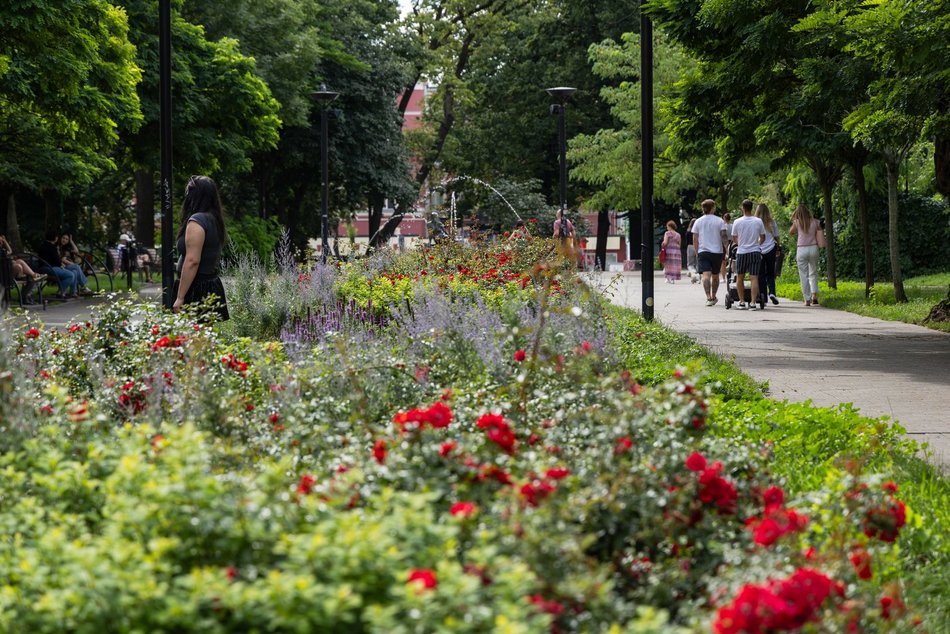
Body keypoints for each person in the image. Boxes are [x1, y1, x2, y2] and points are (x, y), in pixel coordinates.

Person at [173, 175, 229, 320]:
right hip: (209, 284)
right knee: (203, 333)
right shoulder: (214, 219)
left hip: (195, 288)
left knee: (191, 333)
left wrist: (180, 297)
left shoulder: (197, 221)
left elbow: (193, 261)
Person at [691, 199, 728, 306]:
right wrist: (727, 249)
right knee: (715, 276)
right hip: (717, 252)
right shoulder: (719, 221)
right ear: (712, 208)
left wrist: (697, 252)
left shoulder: (698, 221)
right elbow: (724, 236)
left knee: (706, 275)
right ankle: (713, 296)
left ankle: (708, 297)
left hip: (703, 251)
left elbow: (695, 238)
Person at [731, 199, 766, 310]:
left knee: (740, 277)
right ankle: (753, 302)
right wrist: (757, 244)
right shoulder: (758, 221)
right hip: (755, 252)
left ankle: (741, 301)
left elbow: (734, 237)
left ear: (743, 208)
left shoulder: (737, 222)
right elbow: (763, 237)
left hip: (742, 252)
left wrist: (740, 243)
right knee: (754, 277)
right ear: (752, 208)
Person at [789, 203, 821, 306]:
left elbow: (791, 232)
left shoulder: (797, 222)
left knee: (804, 274)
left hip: (802, 249)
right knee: (813, 272)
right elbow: (820, 232)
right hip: (813, 248)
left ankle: (807, 299)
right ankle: (814, 295)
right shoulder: (815, 222)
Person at [0, 234, 45, 303]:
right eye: (0, 241)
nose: (1, 243)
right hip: (4, 274)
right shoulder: (1, 252)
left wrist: (5, 241)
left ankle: (34, 275)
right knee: (18, 266)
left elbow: (10, 251)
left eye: (2, 241)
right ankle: (32, 275)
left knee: (20, 261)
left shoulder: (2, 250)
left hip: (8, 270)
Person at [36, 229, 78, 299]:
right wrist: (61, 266)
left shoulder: (43, 245)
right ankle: (60, 293)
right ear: (55, 238)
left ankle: (69, 293)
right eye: (57, 237)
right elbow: (57, 261)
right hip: (49, 268)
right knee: (70, 275)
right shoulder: (52, 247)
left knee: (74, 272)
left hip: (46, 267)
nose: (57, 238)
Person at [754, 203, 781, 305]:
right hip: (771, 248)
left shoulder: (755, 222)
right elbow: (777, 236)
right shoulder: (772, 222)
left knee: (760, 274)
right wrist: (778, 247)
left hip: (759, 249)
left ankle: (763, 297)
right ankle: (772, 293)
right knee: (770, 272)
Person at [685, 217, 700, 283]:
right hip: (698, 246)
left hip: (690, 246)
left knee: (690, 264)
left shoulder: (688, 231)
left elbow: (687, 241)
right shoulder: (698, 231)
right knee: (697, 262)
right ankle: (698, 275)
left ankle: (693, 274)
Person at [720, 212, 733, 283]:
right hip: (732, 243)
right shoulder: (732, 225)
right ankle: (732, 276)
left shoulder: (723, 226)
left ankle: (723, 278)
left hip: (724, 243)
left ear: (724, 218)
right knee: (732, 260)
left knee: (723, 262)